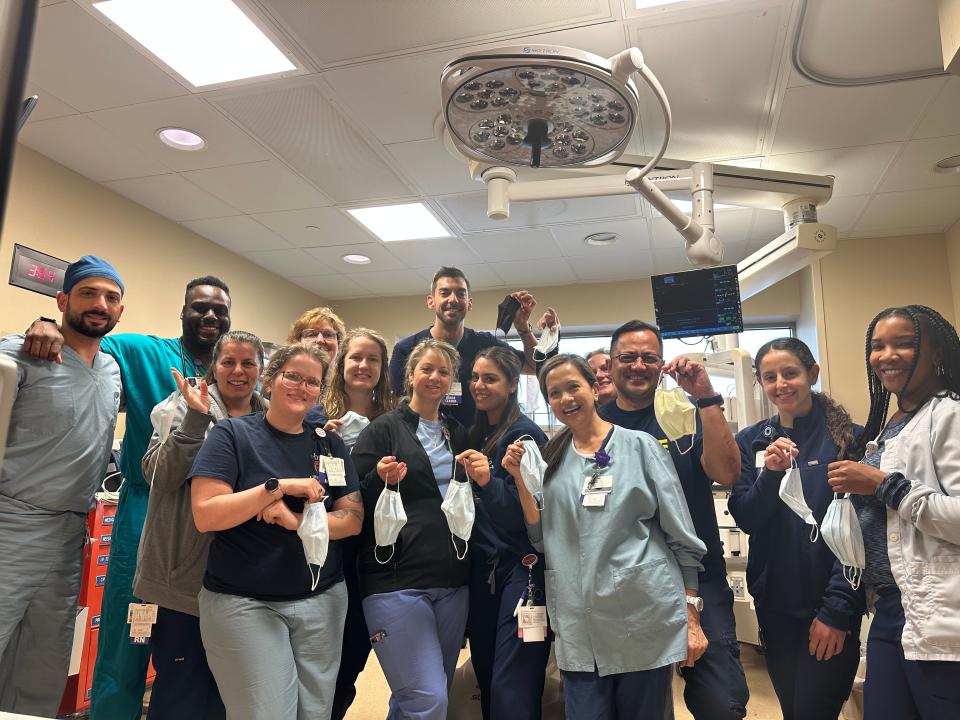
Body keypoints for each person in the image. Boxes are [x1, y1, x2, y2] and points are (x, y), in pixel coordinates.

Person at [23, 274, 232, 720]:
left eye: (219, 309)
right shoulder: (144, 352)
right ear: (183, 312)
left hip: (212, 518)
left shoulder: (235, 368)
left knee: (196, 649)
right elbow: (86, 344)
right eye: (200, 307)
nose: (210, 315)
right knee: (128, 636)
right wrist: (47, 323)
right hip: (148, 509)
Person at [503, 354, 707, 719]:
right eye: (554, 393)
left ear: (595, 389)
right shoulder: (552, 459)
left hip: (643, 615)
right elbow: (541, 539)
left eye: (573, 387)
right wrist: (521, 479)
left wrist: (691, 611)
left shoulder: (640, 446)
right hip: (580, 624)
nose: (566, 399)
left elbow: (680, 531)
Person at [190, 342, 363, 720]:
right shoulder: (231, 436)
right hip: (246, 602)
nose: (302, 387)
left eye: (313, 382)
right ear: (269, 382)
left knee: (314, 713)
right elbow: (206, 514)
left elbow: (352, 519)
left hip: (322, 599)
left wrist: (298, 521)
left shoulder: (329, 444)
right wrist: (279, 486)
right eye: (293, 376)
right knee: (266, 713)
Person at [600, 320, 748, 719]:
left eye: (649, 358)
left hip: (700, 577)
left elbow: (726, 472)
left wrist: (704, 395)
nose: (638, 366)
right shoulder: (595, 427)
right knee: (637, 705)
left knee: (721, 703)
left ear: (661, 365)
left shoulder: (684, 413)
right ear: (611, 365)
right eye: (627, 357)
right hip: (628, 585)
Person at [0, 256, 124, 715]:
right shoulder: (25, 352)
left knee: (44, 657)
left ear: (120, 311)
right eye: (88, 293)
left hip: (71, 531)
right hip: (12, 521)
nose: (99, 304)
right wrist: (39, 324)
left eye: (110, 297)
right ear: (61, 299)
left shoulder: (112, 372)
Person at [827, 305, 960, 719]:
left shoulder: (950, 413)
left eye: (904, 344)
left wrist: (882, 484)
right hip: (891, 607)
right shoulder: (893, 423)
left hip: (941, 610)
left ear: (936, 352)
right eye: (877, 346)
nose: (887, 355)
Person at [352, 338, 489, 720]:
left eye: (444, 371)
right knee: (427, 699)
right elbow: (349, 499)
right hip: (396, 581)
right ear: (410, 375)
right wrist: (379, 479)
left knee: (424, 696)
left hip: (452, 581)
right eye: (426, 369)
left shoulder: (458, 432)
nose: (435, 377)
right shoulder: (384, 430)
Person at [134, 331, 267, 720]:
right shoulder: (181, 405)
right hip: (182, 585)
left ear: (261, 370)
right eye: (228, 362)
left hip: (244, 587)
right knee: (181, 696)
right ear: (214, 367)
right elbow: (156, 475)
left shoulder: (271, 417)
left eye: (248, 363)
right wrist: (195, 420)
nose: (239, 371)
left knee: (229, 698)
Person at [728, 337, 863, 720]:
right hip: (775, 606)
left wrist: (837, 611)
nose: (781, 384)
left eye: (790, 373)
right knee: (794, 710)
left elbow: (859, 533)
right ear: (760, 383)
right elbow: (748, 519)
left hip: (830, 606)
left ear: (812, 373)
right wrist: (770, 474)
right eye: (769, 377)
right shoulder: (750, 441)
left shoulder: (849, 438)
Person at [465, 347, 550, 720]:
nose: (479, 386)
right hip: (487, 571)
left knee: (511, 683)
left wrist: (486, 481)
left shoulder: (524, 437)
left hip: (521, 571)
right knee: (486, 672)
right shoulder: (480, 429)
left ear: (513, 384)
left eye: (490, 378)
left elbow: (523, 516)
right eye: (475, 378)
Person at [324, 328, 396, 720]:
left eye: (373, 359)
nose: (363, 366)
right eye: (356, 357)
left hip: (372, 556)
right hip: (326, 552)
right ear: (341, 362)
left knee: (352, 655)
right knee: (319, 656)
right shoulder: (317, 416)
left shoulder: (395, 421)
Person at [388, 266, 559, 427]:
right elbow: (396, 405)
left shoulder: (486, 344)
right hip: (424, 444)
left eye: (461, 294)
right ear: (431, 301)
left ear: (469, 303)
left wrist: (522, 328)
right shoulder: (406, 349)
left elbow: (534, 366)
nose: (453, 300)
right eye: (445, 293)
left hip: (476, 445)